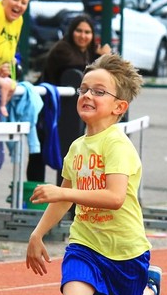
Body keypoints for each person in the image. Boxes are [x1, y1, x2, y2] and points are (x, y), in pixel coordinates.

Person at [25, 53, 162, 295]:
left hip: (126, 250)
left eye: (99, 91)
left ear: (119, 107)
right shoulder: (76, 148)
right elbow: (62, 198)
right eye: (83, 88)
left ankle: (151, 286)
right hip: (84, 243)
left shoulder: (118, 146)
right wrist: (38, 234)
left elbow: (114, 198)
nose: (87, 95)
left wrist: (63, 194)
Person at [29, 14, 111, 181]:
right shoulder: (63, 50)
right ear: (71, 32)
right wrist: (103, 59)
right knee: (41, 154)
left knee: (67, 155)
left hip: (68, 113)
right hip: (50, 110)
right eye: (79, 31)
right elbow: (78, 72)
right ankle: (34, 198)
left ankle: (65, 198)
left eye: (87, 32)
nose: (83, 35)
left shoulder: (88, 52)